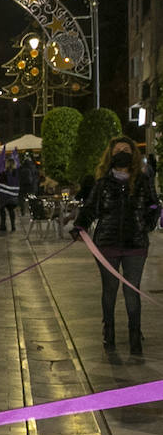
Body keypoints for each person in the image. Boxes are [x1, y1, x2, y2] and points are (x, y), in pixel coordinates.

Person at [72, 138, 161, 356]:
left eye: (126, 150)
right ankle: (108, 330)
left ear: (133, 154)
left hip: (135, 244)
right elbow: (90, 208)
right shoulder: (102, 183)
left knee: (132, 290)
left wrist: (146, 224)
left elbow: (153, 204)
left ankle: (134, 333)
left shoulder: (142, 180)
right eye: (118, 150)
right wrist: (79, 226)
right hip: (107, 244)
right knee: (109, 290)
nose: (122, 153)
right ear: (110, 155)